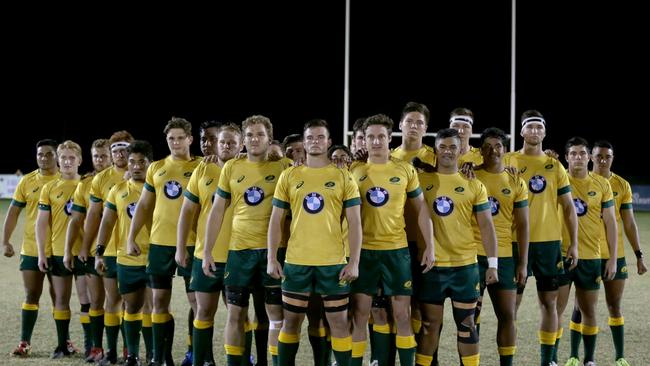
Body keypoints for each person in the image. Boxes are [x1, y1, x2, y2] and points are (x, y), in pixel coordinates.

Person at [267, 118, 362, 366]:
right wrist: (271, 258)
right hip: (297, 261)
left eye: (320, 137)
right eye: (310, 137)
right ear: (304, 142)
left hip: (333, 263)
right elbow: (276, 220)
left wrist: (354, 262)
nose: (315, 141)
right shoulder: (289, 175)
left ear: (329, 142)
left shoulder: (343, 176)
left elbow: (355, 223)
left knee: (338, 323)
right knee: (291, 322)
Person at [202, 115, 290, 366]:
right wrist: (207, 251)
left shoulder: (284, 166)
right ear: (243, 140)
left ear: (269, 138)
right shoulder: (231, 168)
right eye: (249, 135)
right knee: (235, 313)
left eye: (259, 134)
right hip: (240, 252)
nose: (254, 139)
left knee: (275, 315)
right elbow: (217, 211)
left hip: (274, 251)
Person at [349, 114, 435, 366]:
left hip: (396, 252)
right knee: (360, 315)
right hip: (364, 252)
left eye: (381, 137)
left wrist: (430, 245)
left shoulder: (404, 169)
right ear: (364, 140)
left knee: (402, 315)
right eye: (371, 137)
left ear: (389, 139)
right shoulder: (355, 171)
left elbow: (421, 210)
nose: (376, 141)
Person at [416, 128, 498, 366]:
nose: (448, 151)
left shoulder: (474, 184)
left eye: (453, 147)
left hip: (465, 266)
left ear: (461, 150)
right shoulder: (421, 180)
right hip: (432, 266)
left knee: (467, 324)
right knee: (430, 326)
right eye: (443, 147)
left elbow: (487, 227)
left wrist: (492, 264)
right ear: (435, 150)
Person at [503, 110, 579, 366]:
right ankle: (508, 359)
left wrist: (574, 244)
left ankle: (549, 360)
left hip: (548, 243)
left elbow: (569, 207)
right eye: (530, 127)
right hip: (515, 242)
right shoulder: (508, 160)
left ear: (544, 133)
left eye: (539, 127)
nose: (534, 132)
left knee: (550, 301)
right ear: (522, 132)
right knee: (511, 305)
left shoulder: (554, 165)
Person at [127, 117, 200, 366]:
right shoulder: (156, 167)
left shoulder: (202, 166)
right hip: (160, 244)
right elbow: (145, 205)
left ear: (190, 139)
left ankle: (195, 353)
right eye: (171, 138)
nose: (176, 142)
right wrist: (131, 236)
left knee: (196, 301)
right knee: (158, 301)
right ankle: (162, 357)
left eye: (181, 138)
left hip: (192, 243)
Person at [177, 122, 242, 366]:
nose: (213, 145)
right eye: (213, 140)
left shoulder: (248, 168)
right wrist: (181, 247)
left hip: (238, 256)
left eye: (219, 140)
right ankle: (202, 361)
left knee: (238, 313)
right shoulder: (202, 171)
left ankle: (242, 358)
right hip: (208, 253)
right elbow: (186, 212)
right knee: (203, 311)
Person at [558, 137, 617, 366]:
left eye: (582, 153)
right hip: (562, 254)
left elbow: (611, 223)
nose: (578, 157)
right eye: (573, 153)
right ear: (566, 157)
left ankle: (589, 360)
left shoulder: (602, 184)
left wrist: (612, 258)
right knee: (556, 310)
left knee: (589, 310)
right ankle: (552, 359)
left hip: (591, 256)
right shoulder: (557, 179)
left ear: (589, 157)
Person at [472, 127, 529, 366]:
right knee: (469, 317)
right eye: (487, 146)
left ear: (505, 151)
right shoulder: (470, 177)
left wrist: (523, 263)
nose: (492, 150)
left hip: (504, 256)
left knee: (507, 315)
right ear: (480, 151)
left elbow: (524, 225)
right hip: (472, 256)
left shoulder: (516, 181)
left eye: (497, 146)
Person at [95, 140, 154, 366]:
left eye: (141, 162)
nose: (136, 166)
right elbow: (107, 221)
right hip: (127, 258)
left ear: (150, 163)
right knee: (131, 306)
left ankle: (154, 354)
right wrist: (99, 252)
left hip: (154, 257)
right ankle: (133, 355)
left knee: (156, 307)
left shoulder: (159, 187)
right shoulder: (118, 190)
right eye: (132, 162)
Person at [590, 140, 647, 366]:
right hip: (588, 254)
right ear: (591, 157)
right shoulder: (578, 180)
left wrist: (639, 255)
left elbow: (630, 223)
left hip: (615, 255)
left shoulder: (622, 185)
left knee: (614, 305)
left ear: (612, 159)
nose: (603, 160)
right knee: (584, 306)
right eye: (599, 156)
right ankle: (583, 357)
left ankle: (620, 357)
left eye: (607, 156)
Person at [79, 130, 134, 364]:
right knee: (111, 300)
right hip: (109, 249)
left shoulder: (146, 172)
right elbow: (92, 216)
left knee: (136, 302)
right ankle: (109, 349)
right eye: (115, 149)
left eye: (124, 148)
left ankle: (131, 349)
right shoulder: (101, 179)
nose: (119, 153)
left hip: (137, 250)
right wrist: (85, 246)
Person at [5, 139, 60, 356]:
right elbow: (13, 212)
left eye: (48, 154)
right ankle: (24, 342)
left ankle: (64, 342)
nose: (44, 158)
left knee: (60, 298)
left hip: (59, 249)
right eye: (40, 154)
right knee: (31, 295)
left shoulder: (68, 180)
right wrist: (5, 241)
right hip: (31, 248)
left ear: (57, 155)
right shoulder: (27, 181)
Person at [63, 138, 112, 360]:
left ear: (111, 156)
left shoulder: (124, 179)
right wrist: (79, 248)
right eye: (97, 156)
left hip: (120, 251)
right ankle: (95, 346)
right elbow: (76, 220)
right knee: (95, 301)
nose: (100, 160)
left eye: (104, 155)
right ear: (91, 159)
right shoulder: (85, 184)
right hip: (93, 250)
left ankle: (120, 348)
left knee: (120, 302)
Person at [35, 140, 83, 359]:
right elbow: (41, 223)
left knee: (88, 301)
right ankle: (62, 345)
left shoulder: (88, 185)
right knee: (61, 300)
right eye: (63, 157)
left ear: (79, 160)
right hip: (57, 251)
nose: (66, 161)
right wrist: (42, 253)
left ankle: (93, 346)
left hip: (85, 252)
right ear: (58, 160)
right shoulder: (49, 188)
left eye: (71, 158)